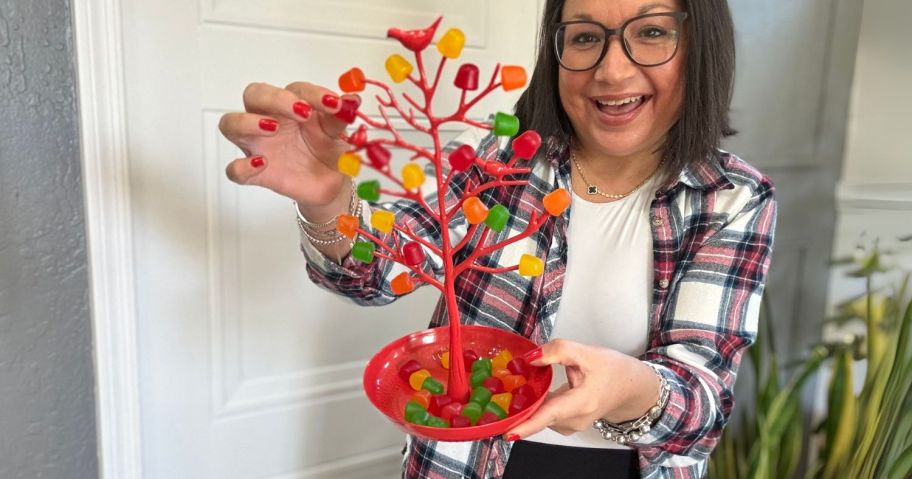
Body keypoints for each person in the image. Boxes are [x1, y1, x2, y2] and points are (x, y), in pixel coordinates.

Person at [218, 0, 776, 477]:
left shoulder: (733, 197)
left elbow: (701, 402)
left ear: (701, 46)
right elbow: (378, 272)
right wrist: (327, 200)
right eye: (584, 37)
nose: (610, 71)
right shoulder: (495, 158)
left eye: (651, 31)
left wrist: (626, 386)